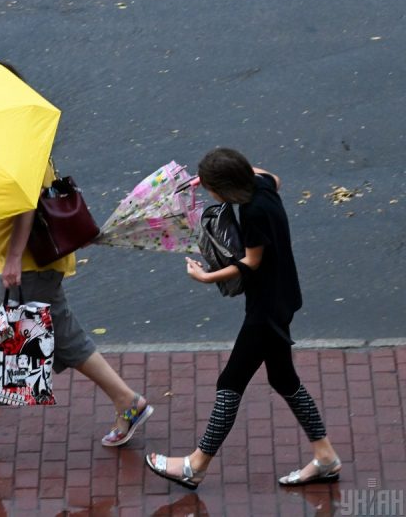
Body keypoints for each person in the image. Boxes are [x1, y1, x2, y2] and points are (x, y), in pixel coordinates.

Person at [0, 63, 154, 464]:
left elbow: (26, 204)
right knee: (64, 339)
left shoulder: (16, 139)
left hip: (30, 263)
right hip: (36, 262)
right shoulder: (15, 131)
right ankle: (129, 402)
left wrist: (14, 258)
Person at [146, 147, 341, 488]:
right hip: (284, 296)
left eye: (209, 187)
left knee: (230, 383)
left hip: (265, 310)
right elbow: (271, 176)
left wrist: (205, 277)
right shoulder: (262, 186)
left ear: (225, 188)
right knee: (283, 380)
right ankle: (326, 458)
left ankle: (195, 466)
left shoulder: (252, 213)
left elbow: (251, 262)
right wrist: (227, 171)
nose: (207, 192)